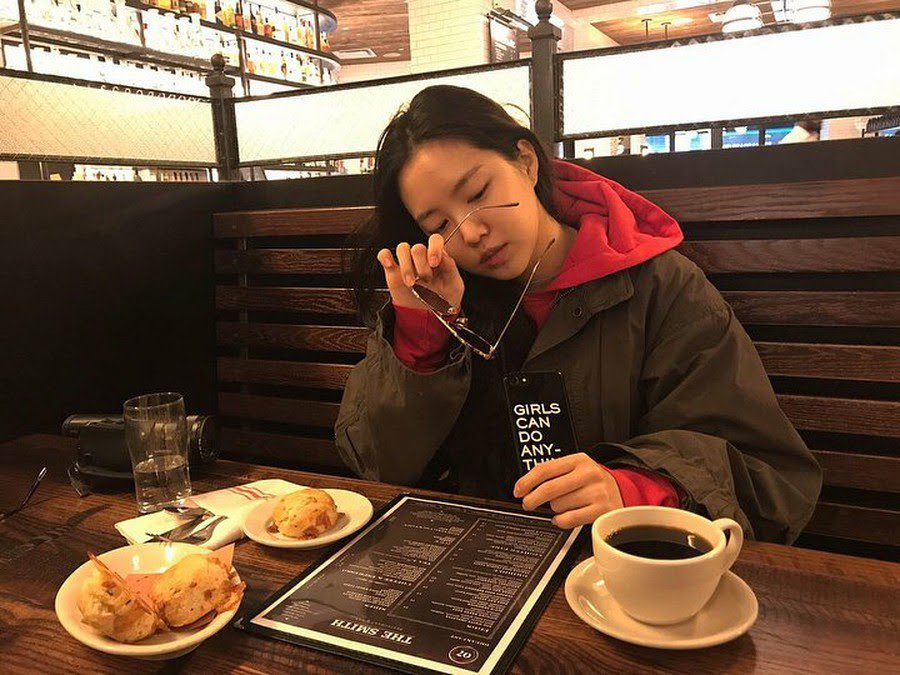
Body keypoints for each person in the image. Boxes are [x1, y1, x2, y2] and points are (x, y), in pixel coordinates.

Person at [335, 85, 821, 544]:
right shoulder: (445, 297)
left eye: (479, 192)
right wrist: (421, 335)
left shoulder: (658, 287)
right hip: (474, 558)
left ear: (525, 162)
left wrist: (634, 491)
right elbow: (375, 465)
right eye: (441, 223)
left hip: (618, 564)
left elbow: (767, 473)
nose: (473, 232)